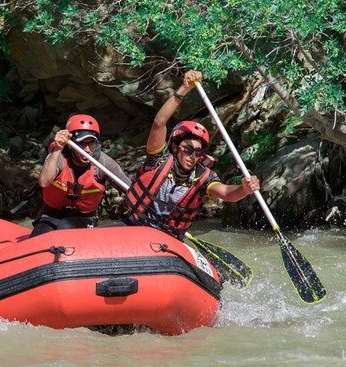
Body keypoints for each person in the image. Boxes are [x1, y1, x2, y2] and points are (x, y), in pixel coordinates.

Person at [124, 70, 260, 240]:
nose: (192, 155)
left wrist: (244, 189)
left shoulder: (203, 177)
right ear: (175, 147)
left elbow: (226, 192)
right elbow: (159, 123)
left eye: (198, 152)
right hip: (136, 227)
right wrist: (184, 89)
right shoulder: (159, 159)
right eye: (187, 149)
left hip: (168, 239)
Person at [30, 114, 131, 237]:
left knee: (65, 226)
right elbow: (44, 182)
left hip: (85, 218)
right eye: (81, 144)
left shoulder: (104, 164)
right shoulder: (59, 157)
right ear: (70, 144)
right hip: (51, 214)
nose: (87, 150)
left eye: (91, 143)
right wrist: (57, 149)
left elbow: (131, 190)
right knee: (40, 234)